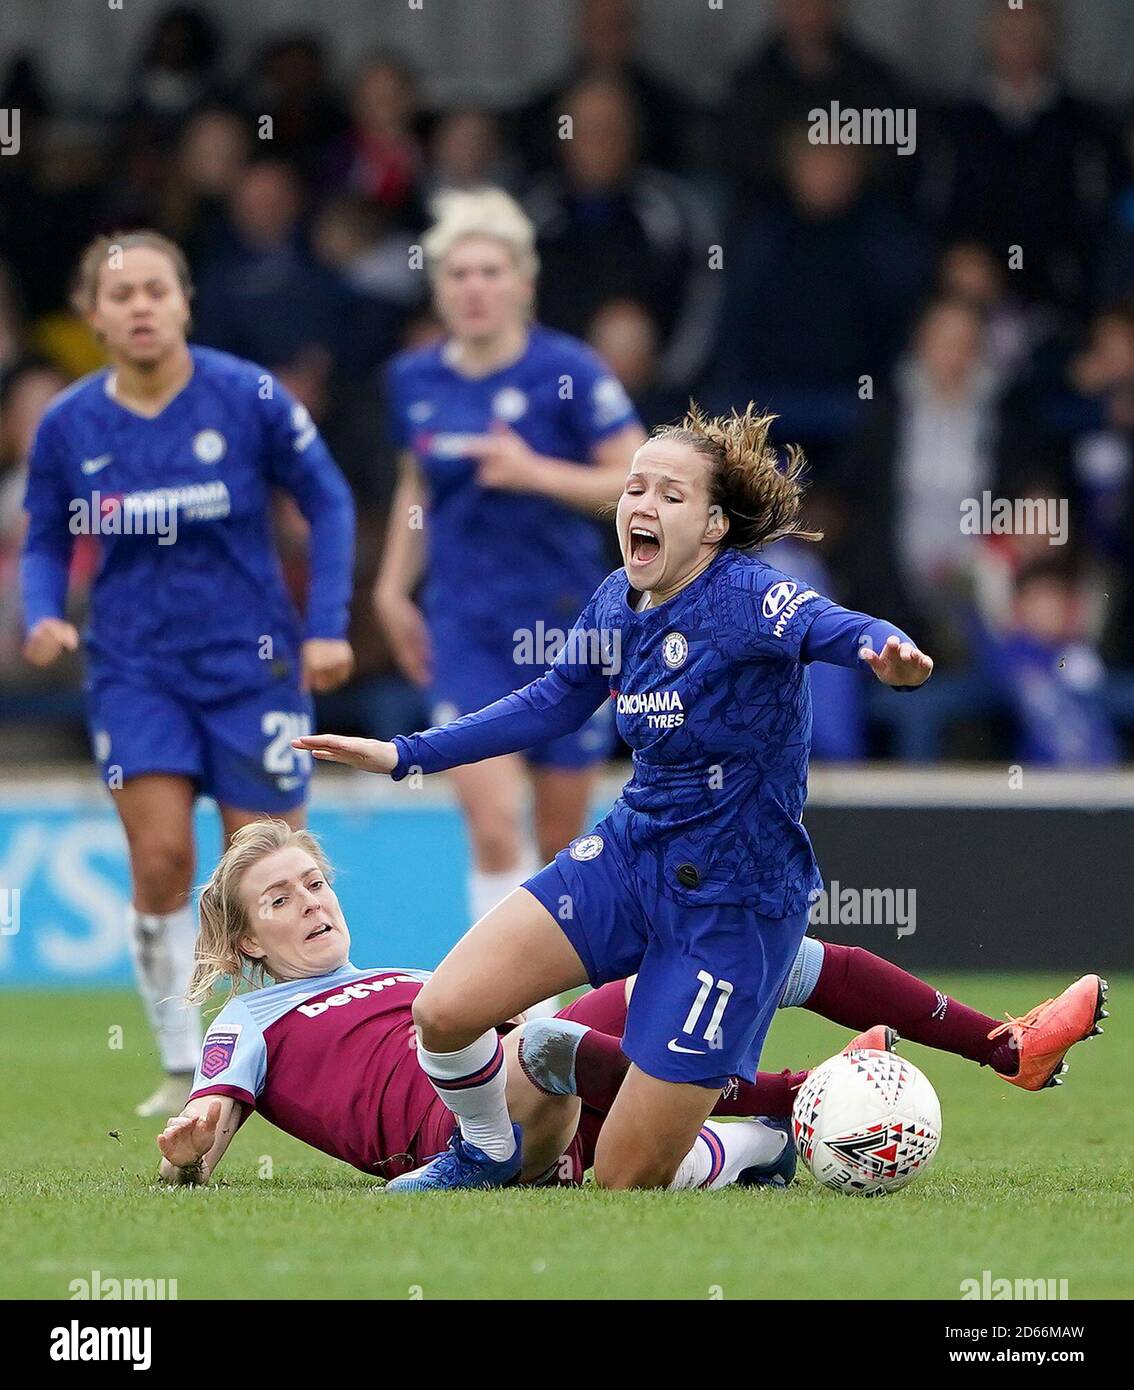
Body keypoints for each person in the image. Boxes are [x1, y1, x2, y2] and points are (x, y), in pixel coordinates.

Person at [297, 402, 1072, 1193]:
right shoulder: (613, 601)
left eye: (670, 495)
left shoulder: (747, 597)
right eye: (636, 488)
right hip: (631, 858)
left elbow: (831, 625)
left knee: (624, 1179)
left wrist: (882, 649)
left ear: (711, 525)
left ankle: (757, 1141)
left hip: (734, 903)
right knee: (446, 1010)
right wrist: (403, 754)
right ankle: (486, 1151)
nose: (643, 505)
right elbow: (550, 704)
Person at [156, 821, 1106, 1189]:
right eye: (280, 900)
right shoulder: (250, 1022)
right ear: (247, 942)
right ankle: (796, 1091)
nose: (311, 904)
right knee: (551, 1042)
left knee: (763, 961)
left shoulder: (403, 976)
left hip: (568, 1115)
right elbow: (213, 1112)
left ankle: (1004, 1047)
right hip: (488, 1127)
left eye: (315, 883)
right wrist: (194, 1146)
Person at [20, 230, 356, 1115]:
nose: (140, 307)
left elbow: (328, 497)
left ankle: (301, 1050)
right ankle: (181, 1062)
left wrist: (327, 624)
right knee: (164, 858)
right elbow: (48, 533)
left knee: (271, 871)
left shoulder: (246, 395)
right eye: (120, 294)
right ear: (93, 314)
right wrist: (44, 609)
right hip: (136, 670)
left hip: (256, 669)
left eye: (156, 290)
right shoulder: (69, 424)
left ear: (184, 301)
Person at [376, 188, 644, 933]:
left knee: (562, 840)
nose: (474, 288)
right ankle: (510, 1024)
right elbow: (414, 484)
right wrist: (393, 588)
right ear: (438, 287)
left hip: (567, 621)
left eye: (491, 272)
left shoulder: (572, 370)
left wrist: (537, 473)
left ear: (524, 282)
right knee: (494, 823)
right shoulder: (413, 379)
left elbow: (640, 481)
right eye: (458, 274)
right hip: (466, 623)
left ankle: (555, 1020)